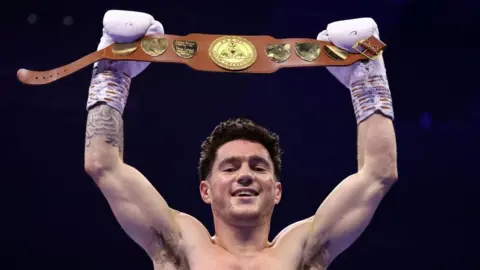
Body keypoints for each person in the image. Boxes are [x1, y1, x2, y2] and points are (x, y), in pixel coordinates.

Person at [84, 10, 398, 270]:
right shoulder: (181, 245)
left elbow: (379, 173)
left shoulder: (301, 249)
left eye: (259, 167)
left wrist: (368, 78)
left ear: (277, 191)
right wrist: (111, 75)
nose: (245, 174)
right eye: (230, 167)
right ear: (205, 190)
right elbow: (103, 165)